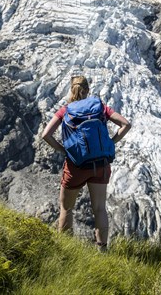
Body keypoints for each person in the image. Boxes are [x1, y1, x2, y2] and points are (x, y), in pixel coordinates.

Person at [42, 75, 131, 252]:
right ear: (87, 90)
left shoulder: (65, 110)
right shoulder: (99, 107)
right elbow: (126, 124)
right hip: (101, 164)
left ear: (71, 90)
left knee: (66, 207)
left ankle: (64, 249)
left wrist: (63, 150)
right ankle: (102, 250)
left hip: (77, 165)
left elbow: (46, 135)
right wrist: (110, 143)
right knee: (99, 208)